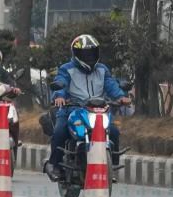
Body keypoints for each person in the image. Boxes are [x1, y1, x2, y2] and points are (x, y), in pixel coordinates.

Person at [45, 34, 130, 180]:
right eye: (85, 54)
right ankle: (54, 165)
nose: (89, 57)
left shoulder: (102, 70)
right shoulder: (67, 69)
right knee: (60, 131)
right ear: (76, 54)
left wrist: (120, 97)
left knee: (114, 131)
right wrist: (59, 96)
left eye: (91, 53)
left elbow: (111, 85)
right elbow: (61, 82)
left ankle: (112, 166)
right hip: (71, 109)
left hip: (98, 110)